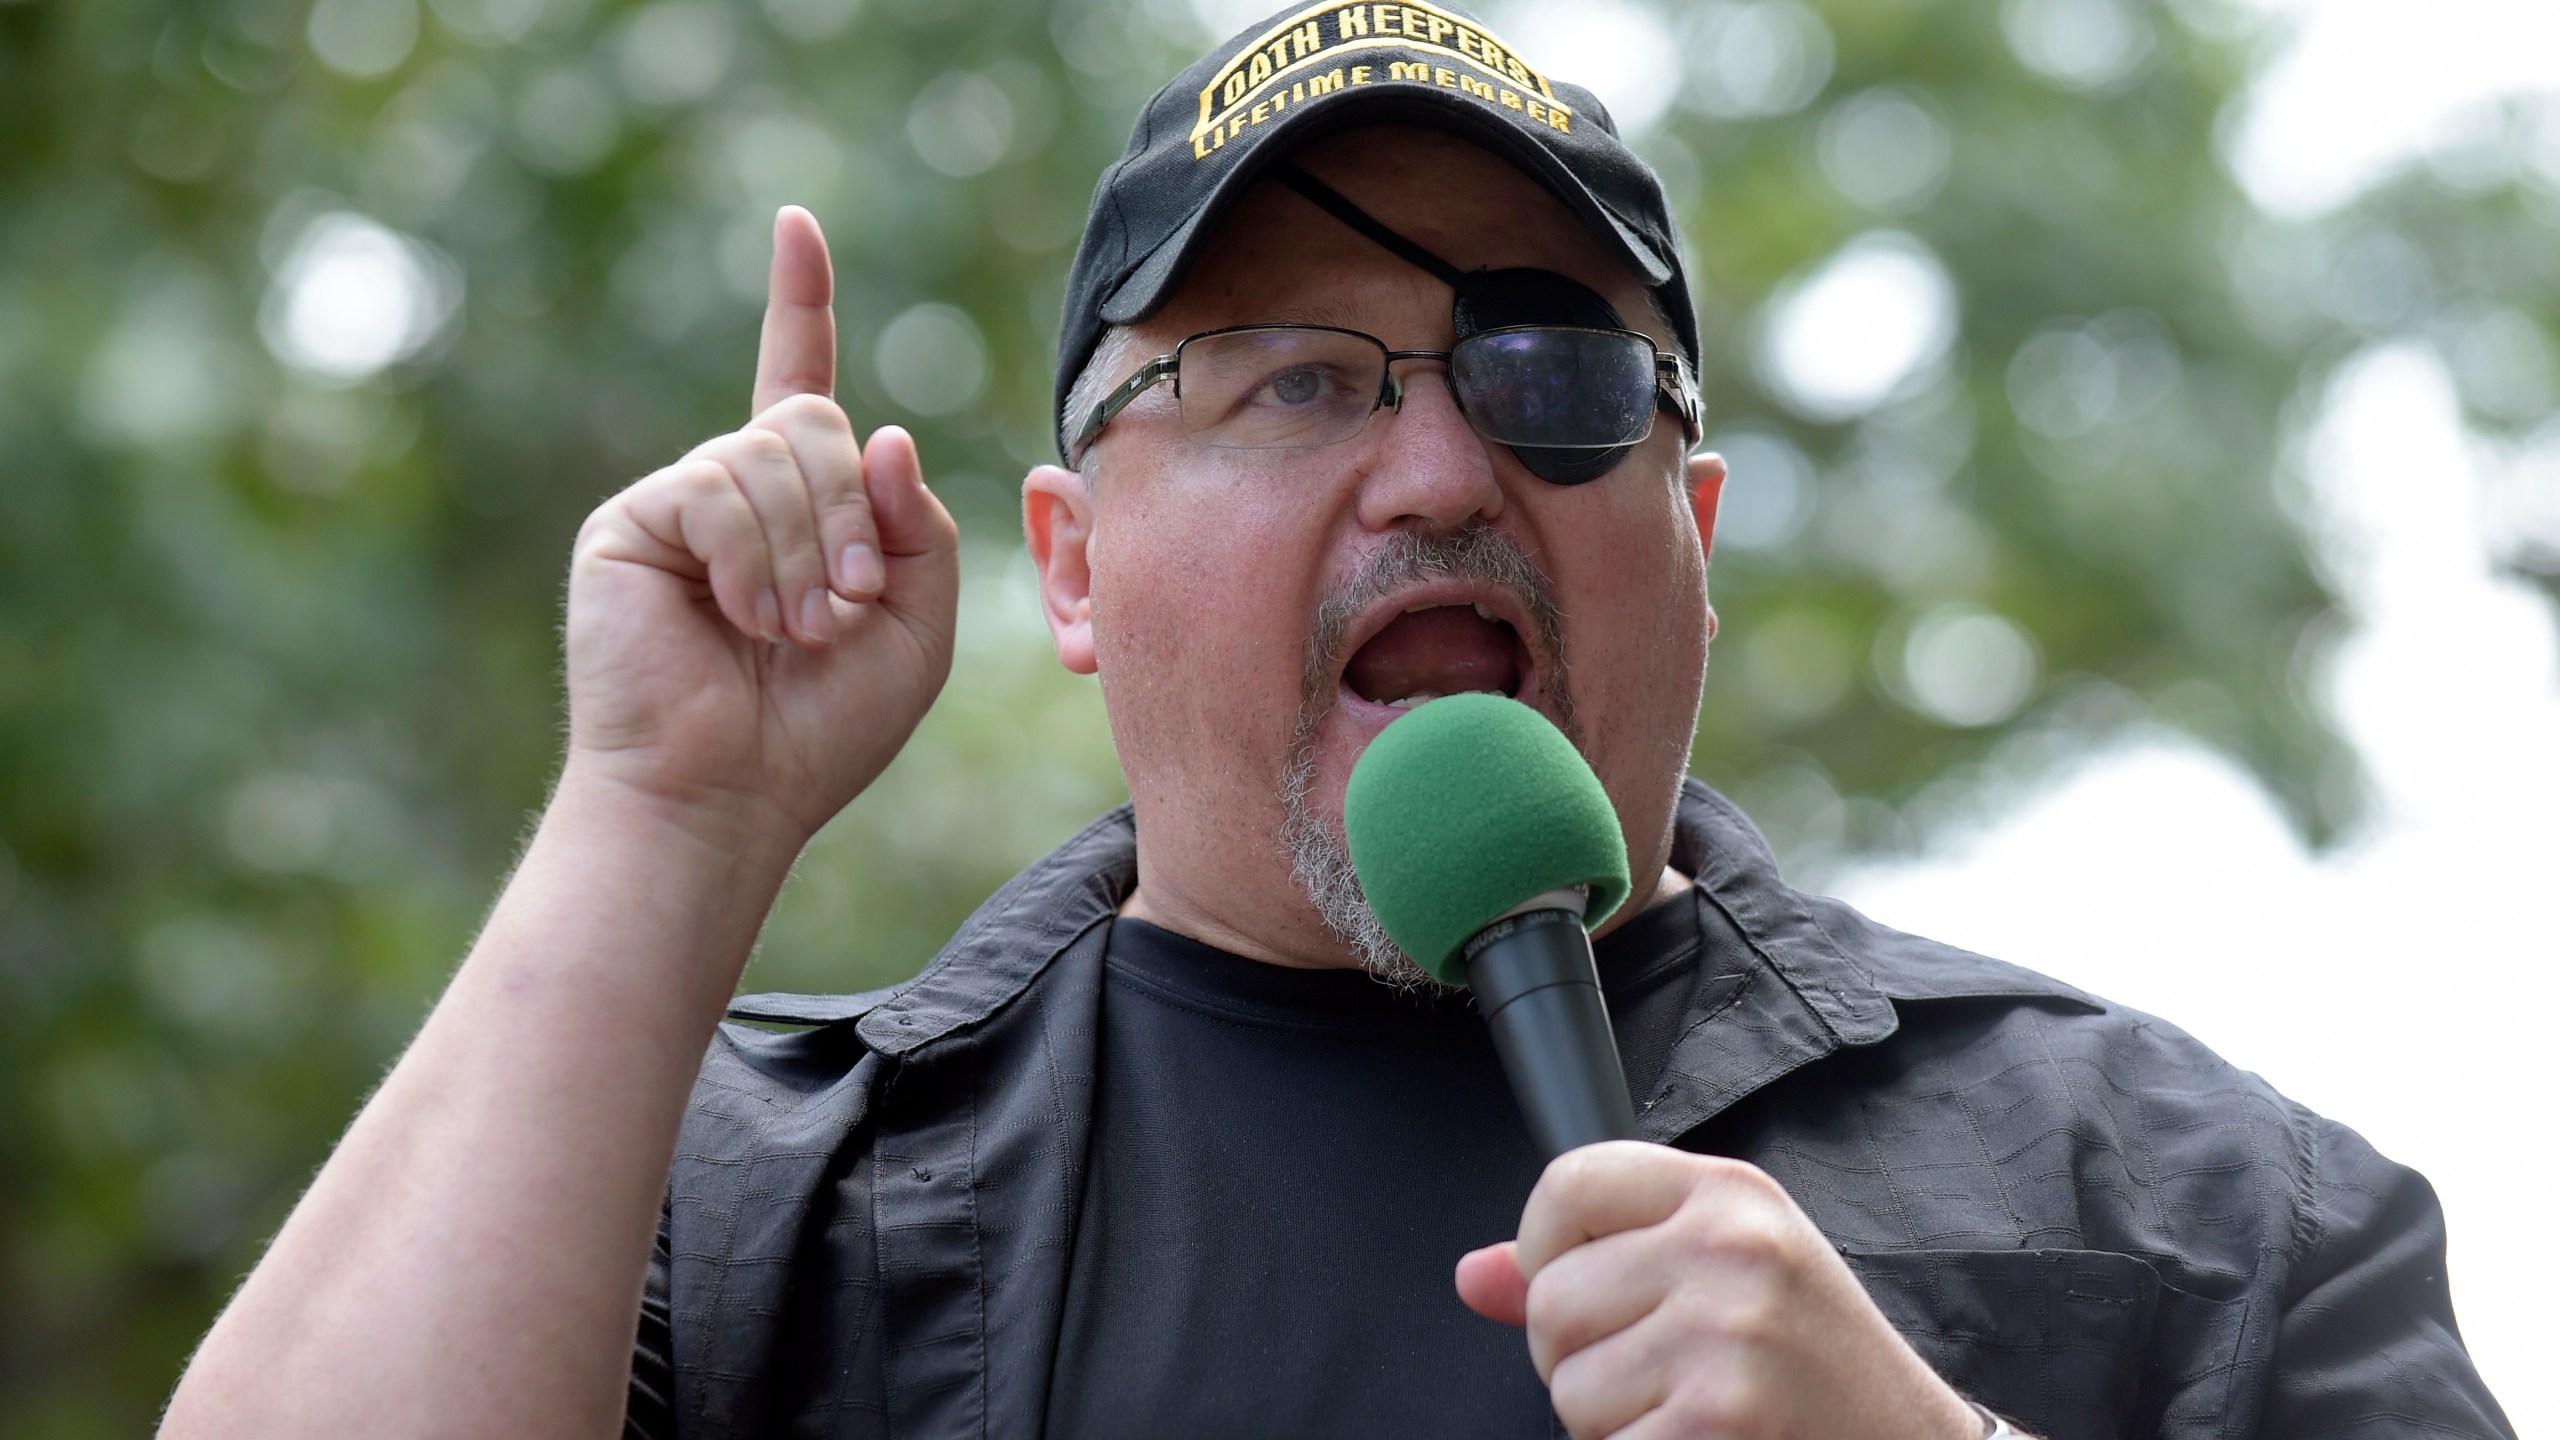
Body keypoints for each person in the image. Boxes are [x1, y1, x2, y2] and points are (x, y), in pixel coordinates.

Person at [164, 5, 2514, 1438]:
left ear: (1687, 526)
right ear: (1070, 567)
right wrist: (658, 815)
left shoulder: (2196, 1210)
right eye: (1294, 378)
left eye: (1548, 373)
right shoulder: (739, 1207)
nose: (1436, 467)